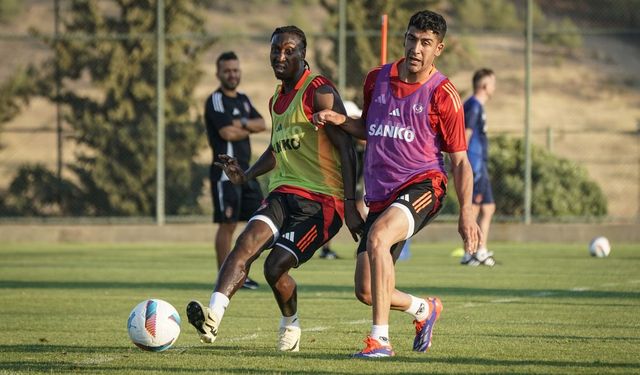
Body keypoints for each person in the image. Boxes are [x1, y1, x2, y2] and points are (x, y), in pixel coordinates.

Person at [313, 10, 482, 358]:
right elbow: (370, 129)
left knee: (378, 238)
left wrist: (466, 212)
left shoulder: (443, 94)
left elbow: (460, 160)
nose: (416, 48)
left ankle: (380, 342)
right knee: (367, 291)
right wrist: (341, 120)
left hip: (424, 186)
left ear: (439, 49)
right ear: (403, 38)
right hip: (379, 194)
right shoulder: (377, 79)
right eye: (411, 38)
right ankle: (424, 309)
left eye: (426, 43)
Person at [186, 25, 363, 352]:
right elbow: (275, 149)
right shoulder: (276, 99)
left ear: (302, 54)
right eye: (275, 50)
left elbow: (348, 147)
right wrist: (247, 175)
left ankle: (290, 322)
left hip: (322, 203)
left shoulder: (319, 90)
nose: (280, 56)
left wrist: (350, 204)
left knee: (273, 267)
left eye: (288, 50)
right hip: (282, 193)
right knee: (245, 243)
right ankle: (213, 317)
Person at [204, 51, 266, 289]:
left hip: (247, 172)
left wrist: (240, 124)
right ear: (218, 73)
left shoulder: (243, 99)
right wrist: (246, 127)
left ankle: (242, 273)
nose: (232, 74)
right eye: (227, 70)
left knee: (260, 219)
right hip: (225, 173)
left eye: (235, 70)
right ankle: (224, 276)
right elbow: (226, 133)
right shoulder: (216, 100)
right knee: (228, 224)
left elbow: (261, 124)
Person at [460, 68, 497, 267]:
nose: (494, 87)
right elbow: (465, 136)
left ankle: (481, 250)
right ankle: (469, 253)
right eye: (493, 83)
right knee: (473, 208)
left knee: (489, 207)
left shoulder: (477, 106)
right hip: (474, 164)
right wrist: (464, 165)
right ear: (484, 85)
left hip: (480, 163)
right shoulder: (473, 106)